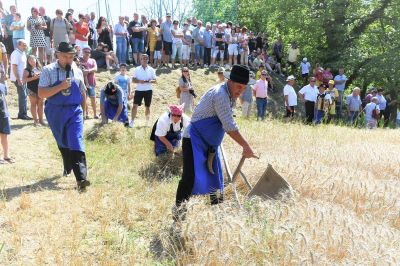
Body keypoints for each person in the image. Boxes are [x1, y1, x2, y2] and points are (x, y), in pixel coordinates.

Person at [174, 65, 257, 215]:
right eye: (239, 86)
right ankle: (179, 213)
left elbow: (225, 121)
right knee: (189, 178)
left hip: (209, 145)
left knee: (216, 180)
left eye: (244, 88)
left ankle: (218, 215)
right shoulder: (220, 94)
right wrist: (245, 146)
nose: (240, 91)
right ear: (230, 81)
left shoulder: (230, 96)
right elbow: (229, 126)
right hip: (194, 140)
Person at [38, 42, 90, 191]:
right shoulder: (48, 71)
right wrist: (60, 86)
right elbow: (42, 94)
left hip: (74, 111)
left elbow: (82, 93)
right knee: (63, 141)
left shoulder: (77, 71)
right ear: (57, 55)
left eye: (71, 57)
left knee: (76, 140)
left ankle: (81, 179)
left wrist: (84, 112)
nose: (69, 60)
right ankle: (67, 165)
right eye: (65, 56)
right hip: (55, 112)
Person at [130, 54, 156, 127]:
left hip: (148, 90)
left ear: (148, 60)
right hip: (139, 90)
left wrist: (151, 81)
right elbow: (133, 79)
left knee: (147, 107)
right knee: (134, 106)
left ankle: (147, 123)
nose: (144, 60)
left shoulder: (151, 69)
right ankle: (132, 121)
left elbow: (155, 80)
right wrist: (139, 81)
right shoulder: (137, 69)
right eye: (143, 58)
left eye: (146, 58)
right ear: (140, 60)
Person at [22, 55, 45, 127]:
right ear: (28, 62)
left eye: (33, 59)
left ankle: (41, 120)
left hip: (41, 88)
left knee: (41, 104)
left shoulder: (40, 68)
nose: (31, 61)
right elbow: (24, 80)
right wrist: (34, 78)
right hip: (31, 89)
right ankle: (35, 121)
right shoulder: (27, 70)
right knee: (33, 104)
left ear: (36, 60)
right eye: (30, 60)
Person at [11, 39, 31, 120]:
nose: (25, 46)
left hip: (23, 78)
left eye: (26, 45)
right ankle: (22, 114)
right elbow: (14, 67)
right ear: (19, 45)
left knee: (24, 95)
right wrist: (18, 79)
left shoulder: (22, 53)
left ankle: (23, 113)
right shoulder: (16, 54)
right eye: (24, 45)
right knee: (23, 96)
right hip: (18, 79)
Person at [80, 45, 98, 119]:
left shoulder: (92, 60)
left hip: (92, 82)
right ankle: (86, 114)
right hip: (83, 83)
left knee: (93, 98)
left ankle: (95, 114)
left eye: (88, 52)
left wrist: (88, 71)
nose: (87, 53)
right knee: (85, 99)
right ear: (83, 52)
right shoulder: (79, 60)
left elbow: (95, 68)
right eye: (85, 52)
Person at [0, 71, 13, 164]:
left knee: (4, 134)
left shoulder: (2, 86)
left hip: (3, 114)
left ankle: (6, 155)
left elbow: (4, 99)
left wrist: (7, 114)